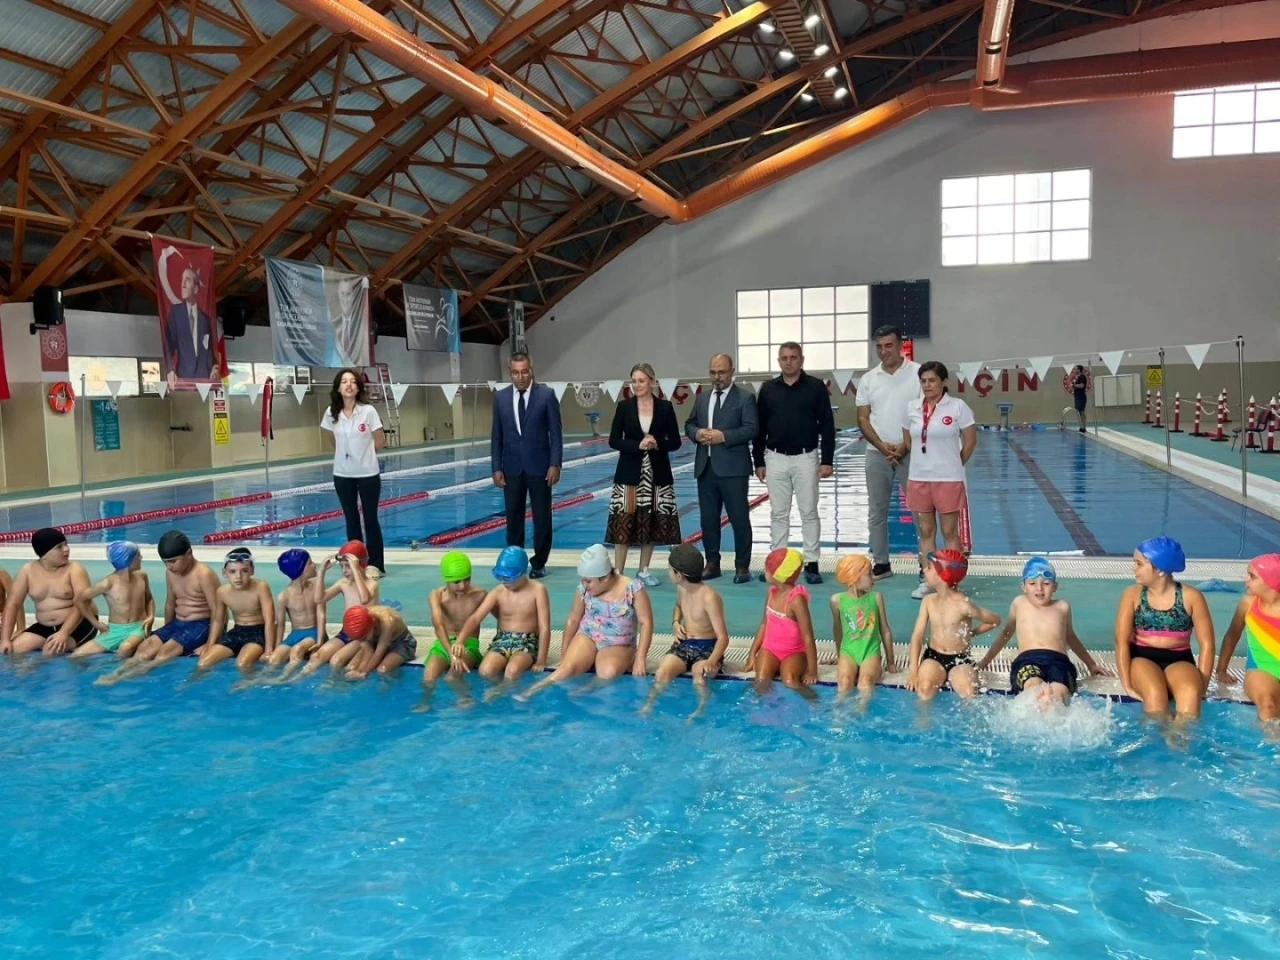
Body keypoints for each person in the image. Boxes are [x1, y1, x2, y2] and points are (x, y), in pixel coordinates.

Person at [522, 544, 654, 700]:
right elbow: (573, 620)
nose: (584, 585)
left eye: (589, 581)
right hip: (588, 636)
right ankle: (533, 690)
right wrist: (565, 653)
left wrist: (640, 658)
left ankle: (587, 689)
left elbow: (646, 623)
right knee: (566, 669)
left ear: (605, 578)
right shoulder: (583, 590)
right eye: (583, 580)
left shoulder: (633, 589)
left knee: (607, 673)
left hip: (618, 643)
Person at [753, 342, 836, 585]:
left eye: (793, 357)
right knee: (778, 514)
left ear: (801, 360)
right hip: (775, 457)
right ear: (779, 361)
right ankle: (777, 562)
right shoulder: (768, 389)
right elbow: (760, 428)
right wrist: (758, 461)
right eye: (784, 358)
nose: (788, 362)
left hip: (806, 458)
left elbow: (827, 425)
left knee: (809, 512)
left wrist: (827, 460)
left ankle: (812, 562)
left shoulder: (816, 387)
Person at [976, 557, 1104, 706]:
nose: (1039, 589)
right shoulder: (1019, 603)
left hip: (1059, 661)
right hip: (1027, 660)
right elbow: (1005, 635)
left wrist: (1091, 665)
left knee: (1060, 691)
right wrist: (984, 662)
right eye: (1032, 583)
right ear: (1023, 587)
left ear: (1055, 587)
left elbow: (1071, 637)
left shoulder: (1063, 607)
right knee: (1033, 687)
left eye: (1046, 583)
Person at [98, 531, 220, 682]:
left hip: (201, 624)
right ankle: (117, 672)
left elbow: (218, 611)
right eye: (165, 562)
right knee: (146, 646)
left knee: (166, 652)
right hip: (178, 623)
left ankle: (122, 678)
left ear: (189, 553)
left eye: (173, 561)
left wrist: (211, 644)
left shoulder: (204, 574)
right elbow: (170, 604)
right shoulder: (171, 573)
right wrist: (166, 632)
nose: (169, 566)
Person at [900, 361, 977, 599]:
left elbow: (970, 441)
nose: (927, 385)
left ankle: (952, 583)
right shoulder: (912, 408)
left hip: (948, 479)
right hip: (919, 478)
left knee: (950, 532)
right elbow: (909, 441)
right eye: (923, 381)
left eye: (932, 380)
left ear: (944, 382)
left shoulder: (958, 407)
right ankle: (929, 580)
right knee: (926, 532)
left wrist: (954, 464)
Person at [1114, 537, 1214, 718]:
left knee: (1191, 694)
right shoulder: (1132, 595)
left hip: (1180, 659)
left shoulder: (1191, 597)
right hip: (1142, 658)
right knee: (1155, 694)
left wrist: (1203, 684)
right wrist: (1126, 684)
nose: (1133, 568)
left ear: (1160, 569)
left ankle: (1180, 737)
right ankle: (1155, 735)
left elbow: (1207, 644)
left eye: (1139, 564)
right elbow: (1121, 642)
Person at [606, 363, 683, 584]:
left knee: (651, 522)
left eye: (641, 380)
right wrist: (637, 445)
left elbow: (675, 442)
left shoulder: (665, 407)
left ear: (652, 381)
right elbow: (613, 440)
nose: (637, 385)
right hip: (629, 473)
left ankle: (644, 570)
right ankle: (618, 573)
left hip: (657, 473)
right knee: (623, 521)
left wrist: (657, 443)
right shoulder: (624, 407)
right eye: (634, 381)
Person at [685, 353, 758, 583]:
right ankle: (712, 563)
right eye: (713, 372)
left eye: (722, 372)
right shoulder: (702, 398)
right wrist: (697, 433)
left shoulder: (745, 398)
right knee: (708, 520)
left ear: (732, 371)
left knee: (739, 519)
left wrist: (722, 436)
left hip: (733, 470)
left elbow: (751, 429)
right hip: (706, 468)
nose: (717, 377)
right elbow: (689, 424)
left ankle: (742, 566)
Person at [856, 326, 921, 580]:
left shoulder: (918, 374)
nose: (883, 351)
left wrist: (904, 446)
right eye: (879, 347)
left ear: (901, 345)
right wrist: (882, 446)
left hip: (912, 451)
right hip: (877, 452)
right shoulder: (868, 379)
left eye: (889, 345)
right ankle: (881, 563)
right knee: (877, 511)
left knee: (920, 511)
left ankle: (925, 564)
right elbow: (863, 418)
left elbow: (923, 415)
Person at [490, 352, 563, 579]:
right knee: (513, 518)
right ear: (510, 373)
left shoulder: (546, 395)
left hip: (540, 467)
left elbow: (556, 433)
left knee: (542, 518)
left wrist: (555, 464)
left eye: (524, 372)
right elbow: (496, 436)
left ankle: (539, 562)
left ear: (531, 370)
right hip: (511, 467)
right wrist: (496, 467)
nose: (520, 377)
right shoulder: (500, 398)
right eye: (516, 372)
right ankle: (515, 560)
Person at [643, 544, 729, 717]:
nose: (668, 572)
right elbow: (678, 606)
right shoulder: (681, 588)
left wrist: (712, 661)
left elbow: (723, 638)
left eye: (670, 569)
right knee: (661, 673)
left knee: (699, 677)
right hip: (685, 644)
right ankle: (648, 706)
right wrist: (676, 622)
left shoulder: (709, 597)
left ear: (679, 575)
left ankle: (699, 711)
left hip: (708, 647)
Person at [905, 550, 1000, 700]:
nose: (924, 570)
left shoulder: (963, 604)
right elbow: (917, 636)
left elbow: (995, 620)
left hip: (960, 660)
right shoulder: (928, 601)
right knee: (924, 688)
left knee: (969, 692)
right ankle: (923, 716)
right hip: (933, 657)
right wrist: (913, 670)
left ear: (943, 574)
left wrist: (973, 632)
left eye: (929, 567)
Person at [321, 368, 386, 577]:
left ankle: (376, 565)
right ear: (338, 388)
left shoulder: (368, 411)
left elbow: (380, 440)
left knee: (370, 519)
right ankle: (356, 563)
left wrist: (364, 454)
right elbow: (331, 438)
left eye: (352, 382)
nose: (348, 385)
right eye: (344, 381)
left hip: (368, 474)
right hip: (342, 474)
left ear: (358, 388)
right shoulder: (331, 413)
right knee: (351, 520)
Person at [460, 547, 550, 696]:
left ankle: (498, 693)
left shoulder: (538, 590)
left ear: (522, 573)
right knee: (485, 671)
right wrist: (460, 641)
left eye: (508, 578)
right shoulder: (498, 592)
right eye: (500, 577)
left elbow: (545, 627)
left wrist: (541, 659)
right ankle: (501, 693)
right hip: (502, 640)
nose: (503, 581)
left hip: (528, 641)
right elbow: (475, 618)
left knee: (512, 670)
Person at [1, 528, 95, 656]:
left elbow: (83, 603)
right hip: (44, 626)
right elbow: (13, 604)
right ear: (44, 553)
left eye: (66, 544)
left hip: (80, 624)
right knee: (10, 651)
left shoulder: (75, 570)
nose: (66, 549)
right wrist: (5, 639)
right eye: (59, 547)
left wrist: (64, 633)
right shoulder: (27, 571)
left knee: (49, 652)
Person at [1216, 554, 1280, 725]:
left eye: (1252, 576)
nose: (1246, 579)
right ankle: (1273, 741)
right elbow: (1232, 636)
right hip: (1261, 669)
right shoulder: (1248, 603)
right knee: (1268, 705)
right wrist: (1221, 670)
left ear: (1271, 581)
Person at [746, 548, 819, 699]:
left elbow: (808, 636)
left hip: (794, 652)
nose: (765, 572)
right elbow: (764, 625)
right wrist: (752, 654)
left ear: (778, 574)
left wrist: (813, 671)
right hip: (769, 650)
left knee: (790, 681)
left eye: (767, 569)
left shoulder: (796, 600)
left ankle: (815, 703)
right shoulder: (771, 593)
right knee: (761, 681)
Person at [419, 551, 487, 710]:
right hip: (443, 644)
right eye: (456, 582)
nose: (462, 586)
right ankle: (425, 701)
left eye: (467, 579)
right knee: (429, 678)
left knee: (452, 677)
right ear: (446, 579)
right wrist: (451, 654)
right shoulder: (437, 596)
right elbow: (438, 625)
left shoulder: (480, 595)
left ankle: (465, 697)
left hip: (468, 644)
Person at [302, 542, 378, 677]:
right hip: (346, 632)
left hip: (364, 636)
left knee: (336, 661)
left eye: (348, 566)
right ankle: (297, 679)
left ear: (361, 564)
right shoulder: (343, 583)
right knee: (316, 656)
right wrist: (321, 572)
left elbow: (364, 598)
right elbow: (319, 599)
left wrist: (355, 569)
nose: (344, 571)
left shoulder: (372, 584)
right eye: (342, 566)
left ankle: (331, 685)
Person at [71, 541, 154, 659]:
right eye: (138, 555)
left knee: (125, 648)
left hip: (138, 628)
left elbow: (149, 599)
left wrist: (151, 616)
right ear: (128, 560)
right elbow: (79, 600)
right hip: (114, 631)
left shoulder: (142, 577)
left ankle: (118, 670)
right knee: (76, 656)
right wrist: (96, 624)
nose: (141, 558)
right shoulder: (107, 584)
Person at [198, 548, 275, 672]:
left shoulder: (261, 587)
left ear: (252, 571)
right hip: (237, 632)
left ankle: (248, 684)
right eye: (232, 572)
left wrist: (269, 650)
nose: (238, 577)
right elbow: (218, 621)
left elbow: (270, 620)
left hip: (258, 633)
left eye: (244, 571)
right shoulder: (222, 592)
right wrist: (210, 645)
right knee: (203, 662)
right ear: (224, 573)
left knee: (242, 663)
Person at [830, 554, 894, 703]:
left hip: (870, 652)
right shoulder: (837, 600)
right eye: (869, 574)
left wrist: (891, 662)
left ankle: (861, 714)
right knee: (845, 682)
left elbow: (885, 630)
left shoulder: (876, 597)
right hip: (848, 652)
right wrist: (840, 656)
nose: (873, 578)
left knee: (865, 682)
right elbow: (837, 629)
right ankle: (839, 715)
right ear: (854, 577)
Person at [264, 549, 322, 670]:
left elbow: (321, 615)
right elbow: (281, 625)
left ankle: (285, 678)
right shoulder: (284, 596)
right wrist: (277, 646)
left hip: (314, 632)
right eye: (310, 563)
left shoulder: (316, 587)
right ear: (300, 569)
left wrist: (321, 639)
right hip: (295, 635)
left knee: (297, 650)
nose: (314, 565)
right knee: (274, 659)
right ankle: (260, 679)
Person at [163, 266, 218, 388]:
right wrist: (170, 370)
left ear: (196, 289)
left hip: (204, 379)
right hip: (183, 379)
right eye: (182, 280)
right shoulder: (175, 313)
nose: (182, 285)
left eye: (187, 280)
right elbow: (168, 345)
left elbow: (208, 349)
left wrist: (214, 366)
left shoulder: (205, 319)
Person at [341, 604, 417, 679]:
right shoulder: (362, 622)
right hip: (378, 642)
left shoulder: (387, 622)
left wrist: (364, 673)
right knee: (350, 668)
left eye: (363, 638)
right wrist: (358, 671)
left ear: (372, 627)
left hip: (402, 643)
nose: (361, 641)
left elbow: (378, 654)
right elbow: (368, 651)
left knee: (382, 670)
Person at [1070, 365, 1089, 433]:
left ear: (1079, 370)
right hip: (1078, 397)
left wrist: (1073, 385)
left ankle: (1083, 427)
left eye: (1075, 369)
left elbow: (1082, 385)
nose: (1074, 370)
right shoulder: (1079, 377)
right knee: (1078, 412)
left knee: (1081, 412)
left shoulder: (1082, 376)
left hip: (1081, 397)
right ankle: (1081, 427)